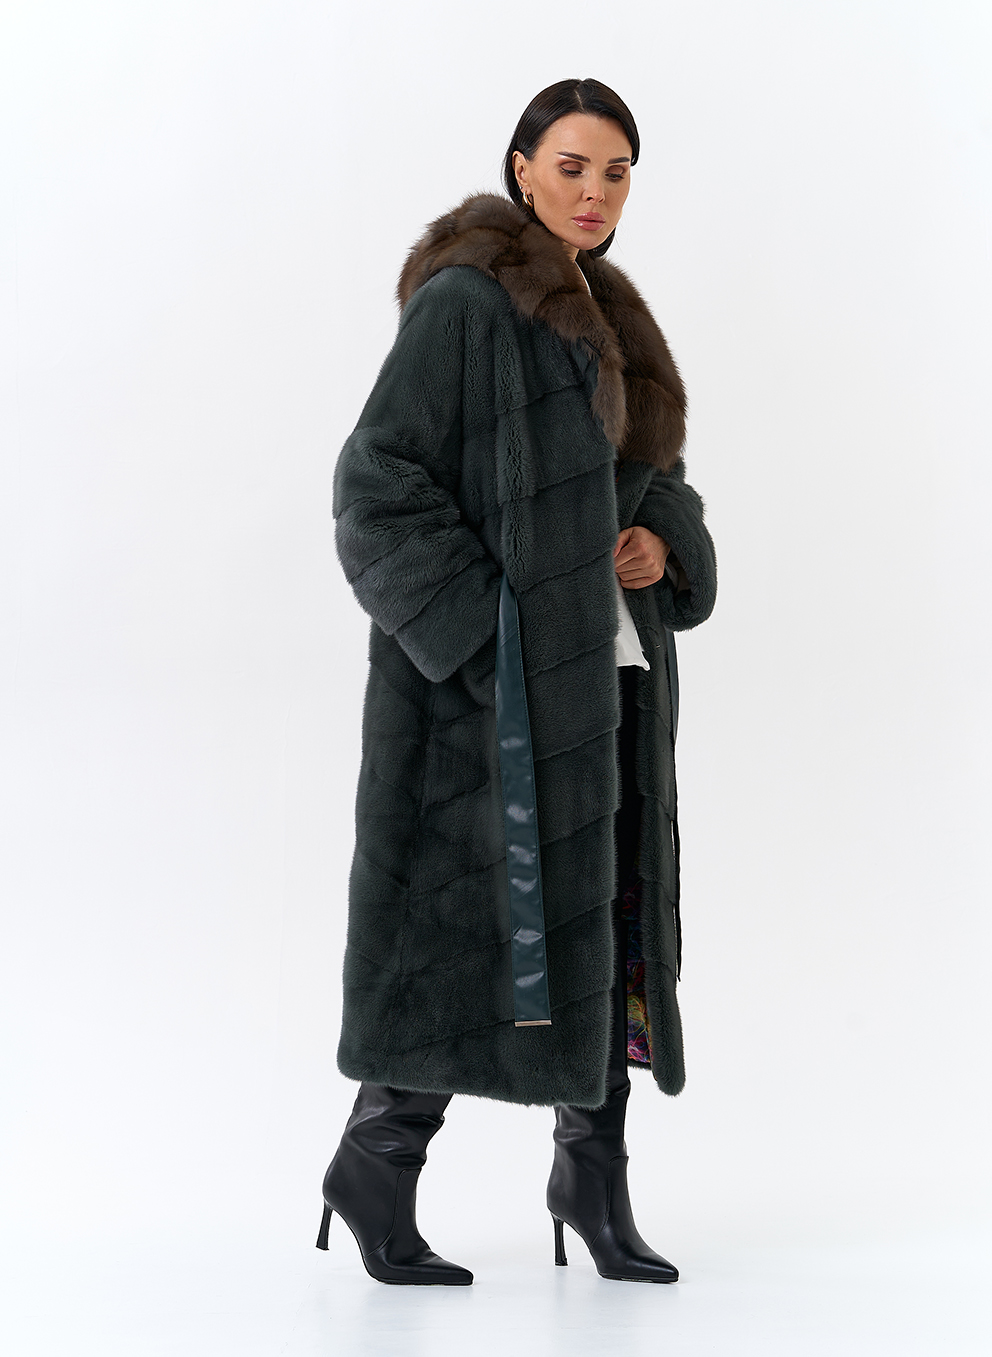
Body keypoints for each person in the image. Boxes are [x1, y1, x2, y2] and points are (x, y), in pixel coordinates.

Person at [317, 77, 717, 1286]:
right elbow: (374, 488)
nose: (593, 192)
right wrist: (495, 639)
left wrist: (659, 546)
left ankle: (590, 1183)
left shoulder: (613, 319)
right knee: (463, 939)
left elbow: (661, 488)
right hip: (486, 705)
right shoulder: (465, 302)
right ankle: (375, 1166)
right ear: (521, 167)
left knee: (606, 925)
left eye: (614, 171)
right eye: (571, 165)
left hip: (610, 682)